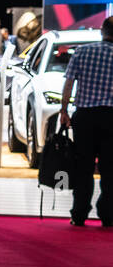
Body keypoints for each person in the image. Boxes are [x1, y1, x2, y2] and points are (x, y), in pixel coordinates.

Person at [58, 15, 113, 227]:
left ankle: (79, 214)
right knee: (110, 169)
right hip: (112, 118)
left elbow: (69, 84)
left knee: (83, 167)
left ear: (101, 31)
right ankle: (108, 215)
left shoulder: (83, 52)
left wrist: (64, 109)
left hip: (85, 117)